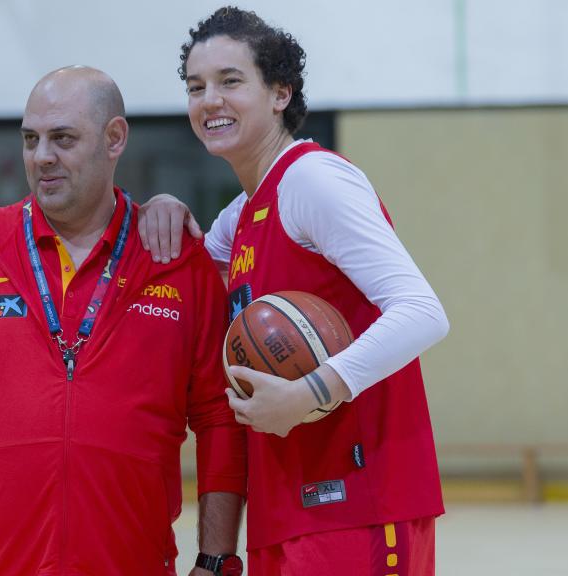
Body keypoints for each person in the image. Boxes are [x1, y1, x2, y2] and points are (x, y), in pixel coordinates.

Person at [0, 66, 247, 576]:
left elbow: (218, 418)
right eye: (30, 139)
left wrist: (216, 557)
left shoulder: (176, 261)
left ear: (114, 139)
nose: (42, 156)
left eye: (63, 138)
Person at [138, 7, 450, 575]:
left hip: (360, 504)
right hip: (287, 510)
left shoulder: (312, 180)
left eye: (231, 81)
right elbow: (181, 277)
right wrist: (162, 206)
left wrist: (311, 391)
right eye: (196, 87)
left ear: (280, 93)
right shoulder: (242, 215)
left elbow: (423, 311)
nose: (210, 100)